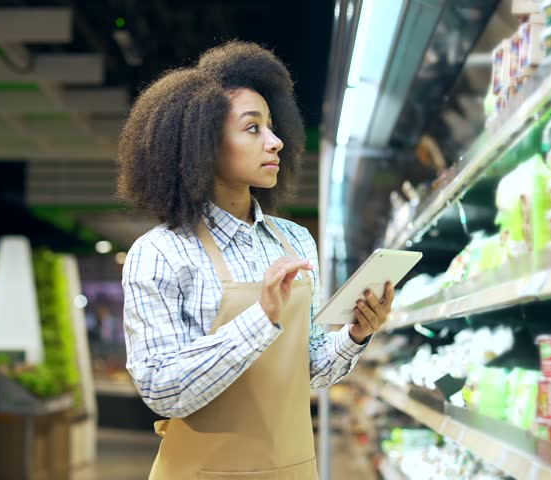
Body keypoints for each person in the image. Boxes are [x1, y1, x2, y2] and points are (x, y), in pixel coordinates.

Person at [118, 41, 394, 479]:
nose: (276, 141)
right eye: (253, 129)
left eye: (272, 125)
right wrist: (260, 319)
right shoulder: (160, 253)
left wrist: (355, 336)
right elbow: (161, 389)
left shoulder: (296, 242)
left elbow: (309, 371)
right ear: (203, 144)